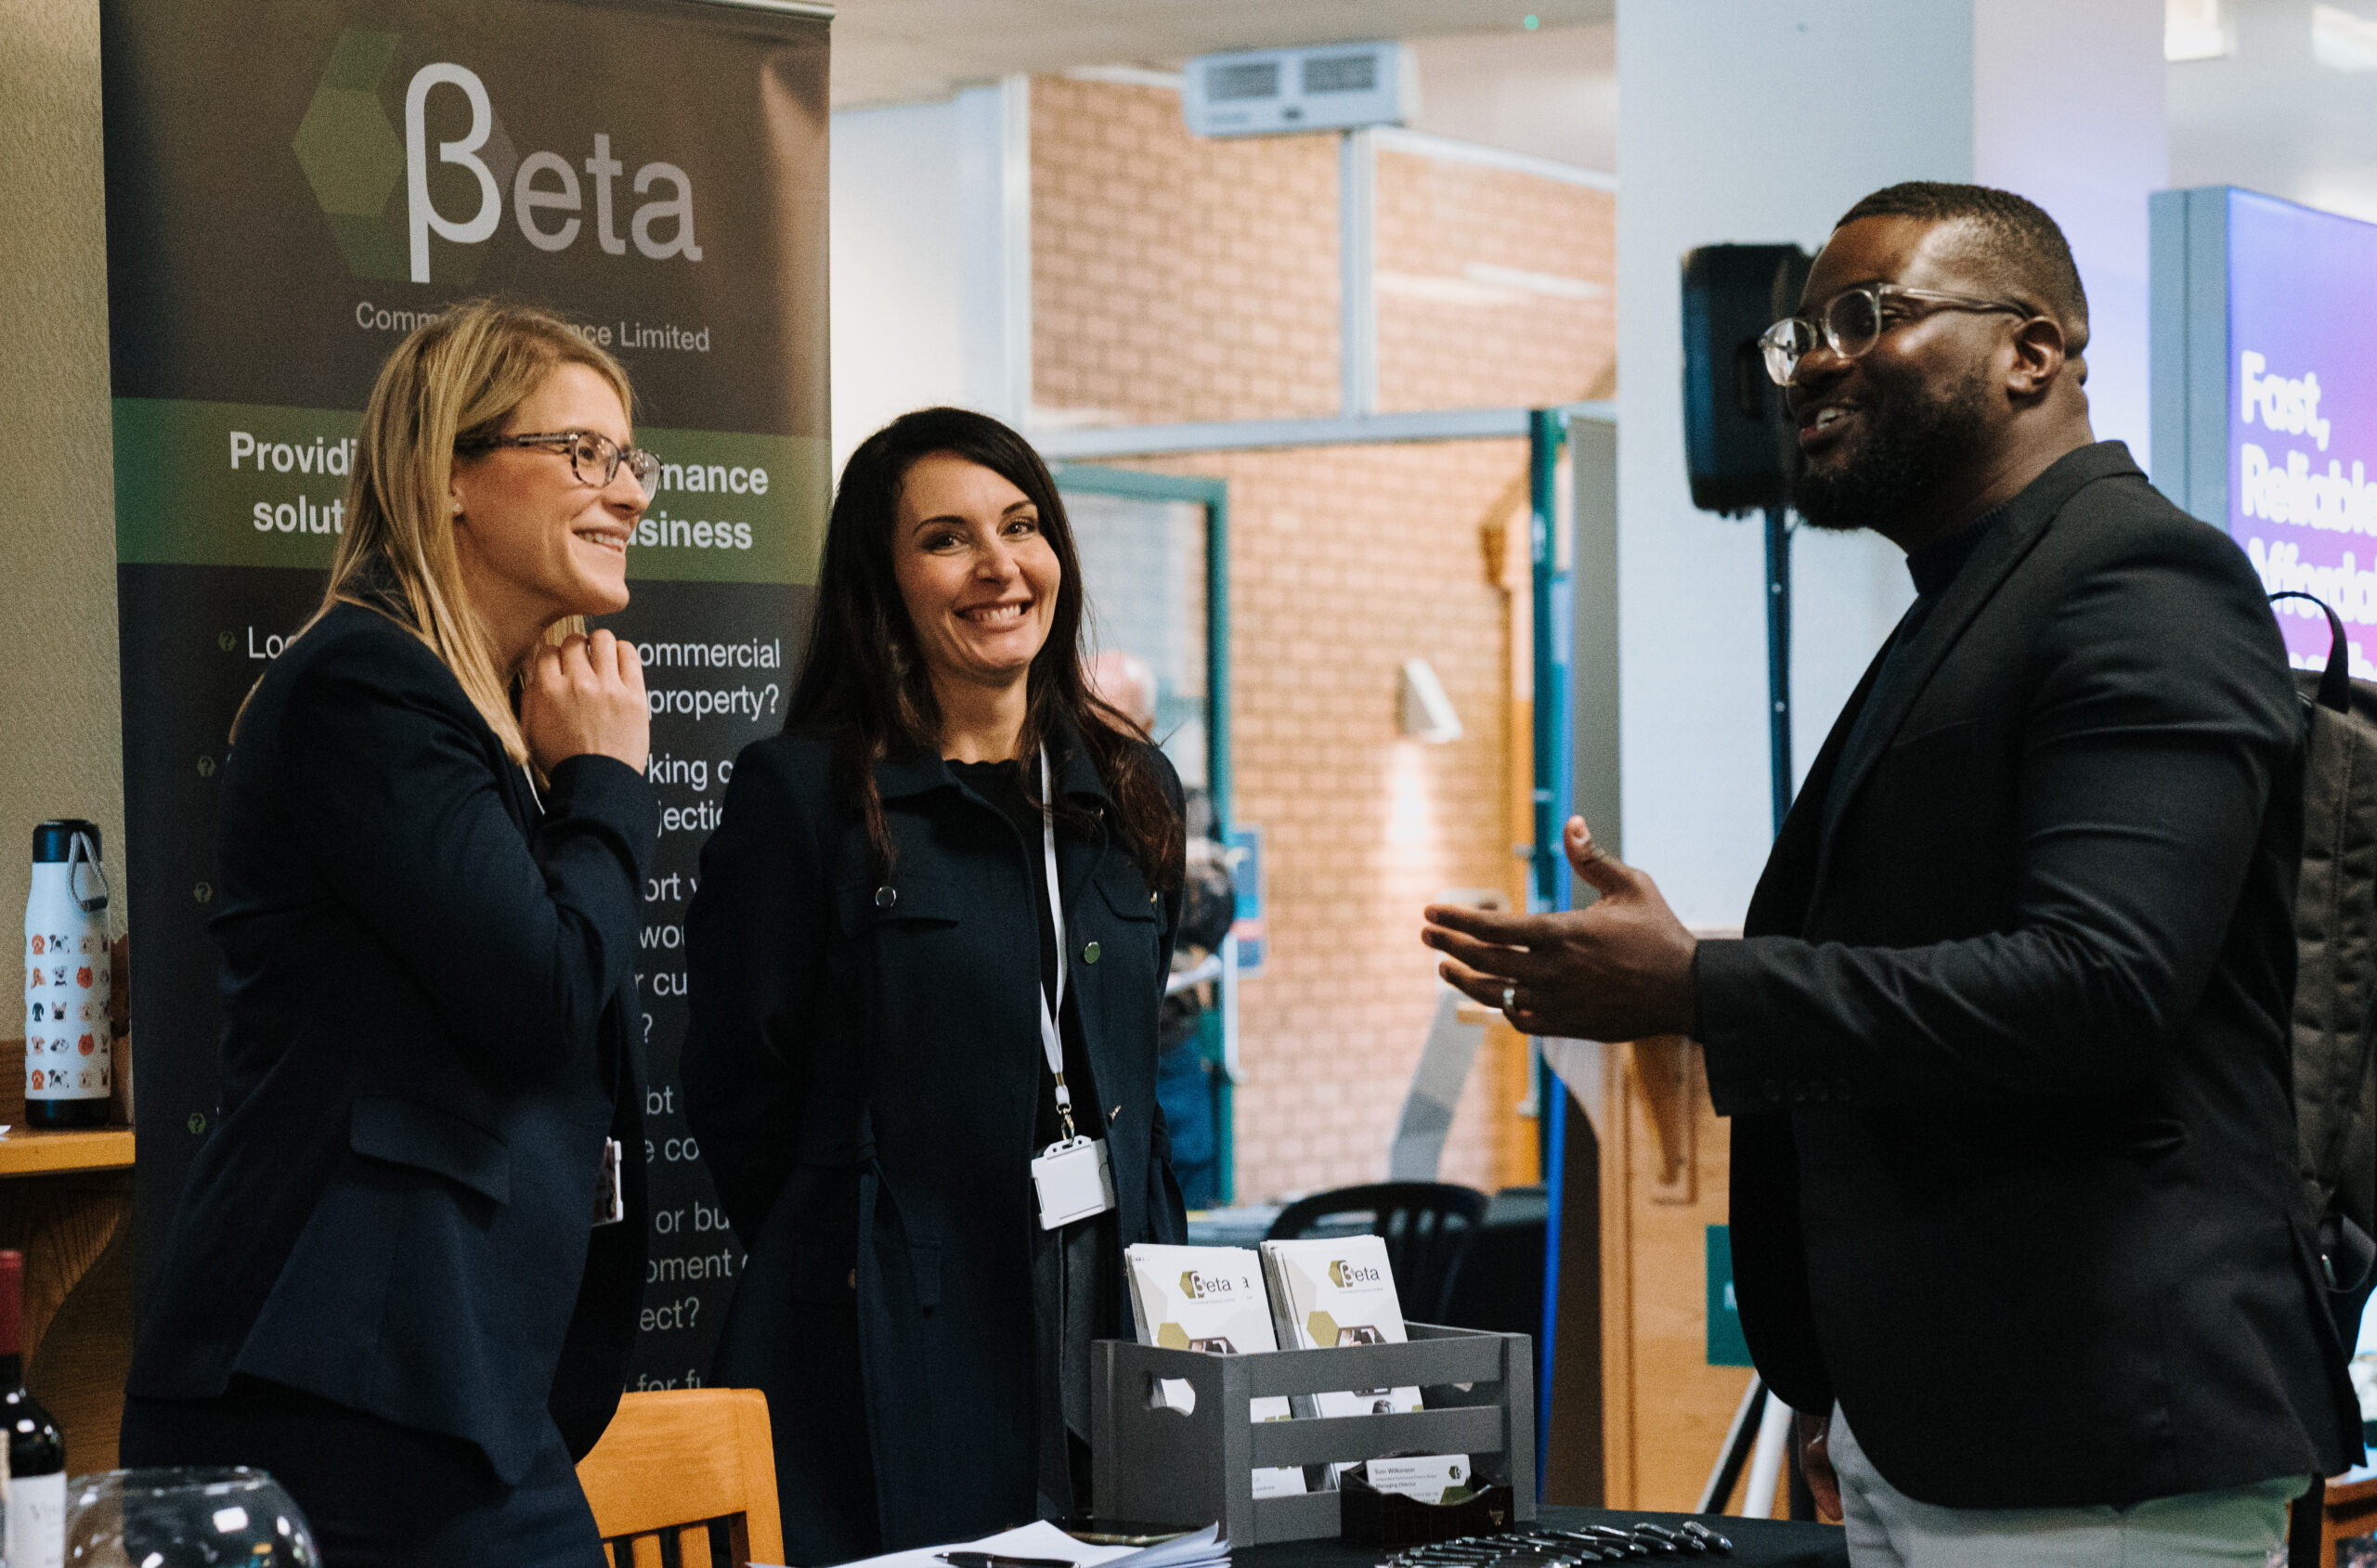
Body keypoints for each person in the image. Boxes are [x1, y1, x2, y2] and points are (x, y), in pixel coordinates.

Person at [1422, 182, 2361, 1563]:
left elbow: (2101, 984)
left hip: (2095, 1440)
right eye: (1797, 339)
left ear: (2032, 350)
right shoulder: (1968, 598)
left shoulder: (2142, 580)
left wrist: (1703, 987)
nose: (1813, 364)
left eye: (1867, 317)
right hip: (1940, 1418)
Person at [122, 302, 657, 1565]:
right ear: (453, 475)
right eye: (584, 454)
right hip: (340, 1386)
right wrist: (609, 787)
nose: (626, 494)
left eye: (631, 461)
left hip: (439, 1381)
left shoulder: (475, 718)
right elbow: (539, 995)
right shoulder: (365, 685)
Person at [683, 406, 1188, 1562]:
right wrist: (863, 1238)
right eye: (947, 539)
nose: (1000, 566)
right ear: (884, 580)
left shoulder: (1129, 787)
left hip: (1111, 1302)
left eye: (1022, 526)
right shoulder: (806, 794)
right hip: (891, 1331)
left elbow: (1132, 1063)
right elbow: (736, 1087)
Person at [1085, 650, 1234, 1207]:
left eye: (1109, 723)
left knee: (1186, 1209)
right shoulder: (1052, 804)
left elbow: (1204, 914)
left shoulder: (1183, 805)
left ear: (1145, 728)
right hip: (1082, 1059)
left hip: (1164, 1050)